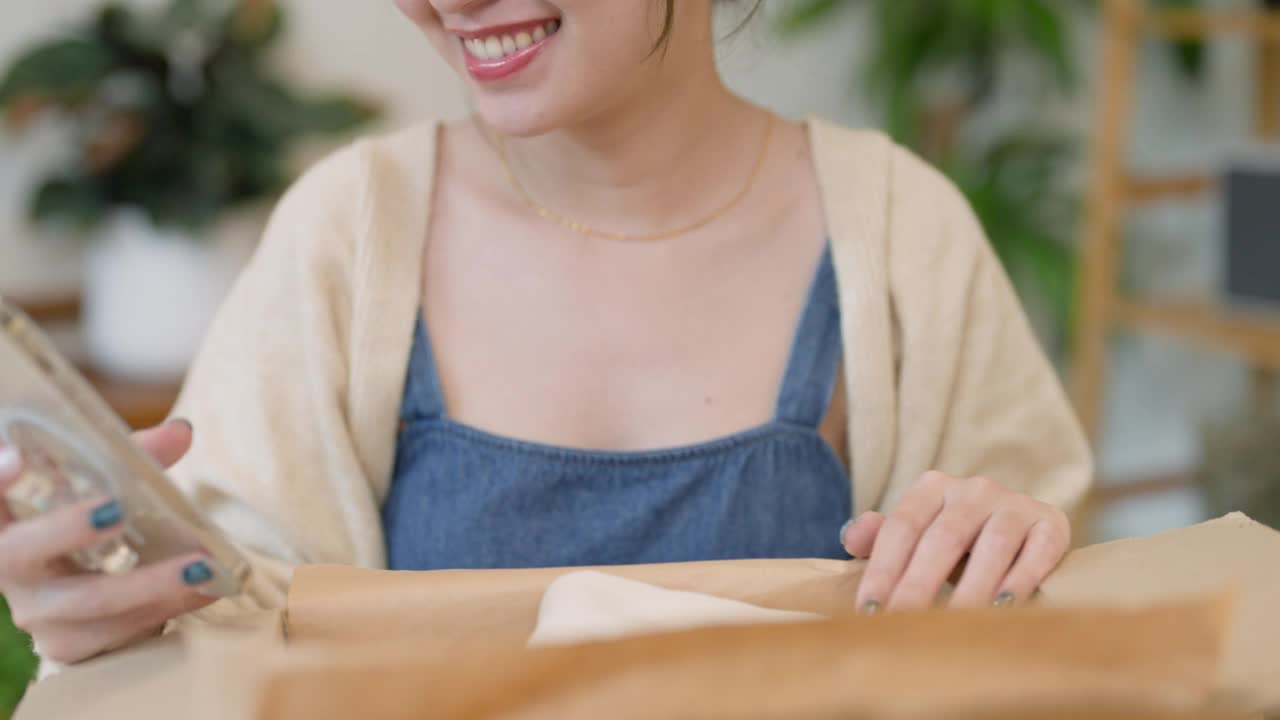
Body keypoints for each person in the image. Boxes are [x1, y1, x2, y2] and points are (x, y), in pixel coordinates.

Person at [0, 0, 1091, 670]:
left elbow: (1058, 650)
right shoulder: (350, 229)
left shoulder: (902, 233)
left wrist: (1007, 549)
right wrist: (110, 626)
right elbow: (222, 640)